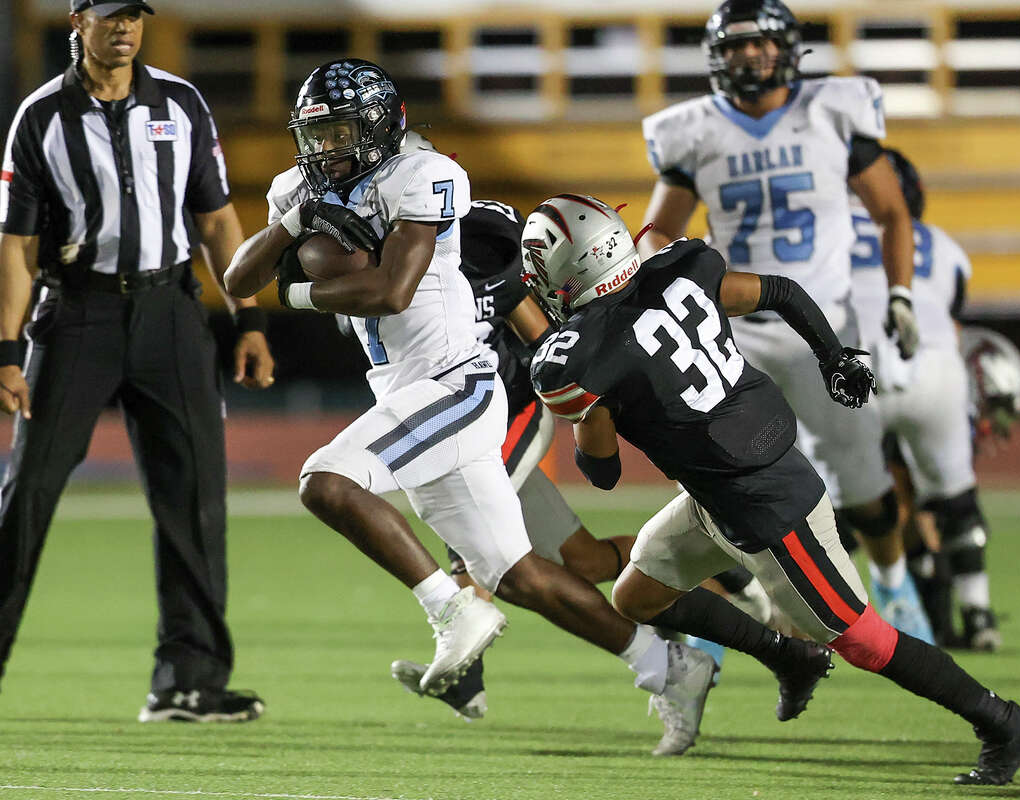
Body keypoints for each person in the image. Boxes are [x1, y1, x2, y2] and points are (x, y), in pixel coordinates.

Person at [224, 61, 829, 756]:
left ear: (382, 125)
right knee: (522, 576)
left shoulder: (423, 178)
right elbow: (239, 278)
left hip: (459, 384)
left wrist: (296, 293)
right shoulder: (299, 187)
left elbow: (393, 291)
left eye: (342, 131)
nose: (327, 147)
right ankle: (667, 666)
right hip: (408, 393)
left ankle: (448, 612)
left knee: (326, 481)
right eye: (318, 133)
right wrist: (290, 224)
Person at [523, 192, 1020, 785]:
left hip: (765, 505)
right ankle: (788, 656)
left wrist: (590, 412)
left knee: (863, 639)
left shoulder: (583, 356)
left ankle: (1003, 722)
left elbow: (604, 474)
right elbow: (782, 292)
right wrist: (834, 357)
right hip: (720, 487)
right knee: (635, 596)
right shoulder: (680, 269)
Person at [0, 0, 275, 723]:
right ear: (78, 21)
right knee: (29, 490)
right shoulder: (41, 117)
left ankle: (188, 681)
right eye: (109, 15)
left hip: (170, 313)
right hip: (77, 316)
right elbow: (14, 246)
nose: (125, 28)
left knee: (194, 499)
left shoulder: (181, 103)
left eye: (134, 14)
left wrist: (249, 319)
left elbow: (217, 220)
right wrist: (3, 353)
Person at [389, 200, 775, 724]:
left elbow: (539, 337)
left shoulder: (476, 236)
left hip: (504, 410)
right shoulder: (383, 254)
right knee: (586, 562)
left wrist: (575, 393)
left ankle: (469, 681)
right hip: (453, 423)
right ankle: (714, 570)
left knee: (482, 553)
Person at [638, 0, 934, 643]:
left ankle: (894, 585)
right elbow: (658, 228)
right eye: (735, 46)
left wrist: (901, 294)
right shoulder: (693, 132)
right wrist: (661, 270)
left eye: (758, 44)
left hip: (825, 322)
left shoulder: (833, 111)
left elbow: (893, 212)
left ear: (787, 48)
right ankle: (741, 604)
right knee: (722, 473)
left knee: (861, 477)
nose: (747, 56)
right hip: (736, 328)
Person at [849, 156, 1014, 649]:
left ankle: (815, 616)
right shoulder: (943, 245)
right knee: (957, 503)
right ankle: (979, 616)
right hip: (934, 365)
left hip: (853, 367)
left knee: (837, 506)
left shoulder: (831, 232)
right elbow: (950, 316)